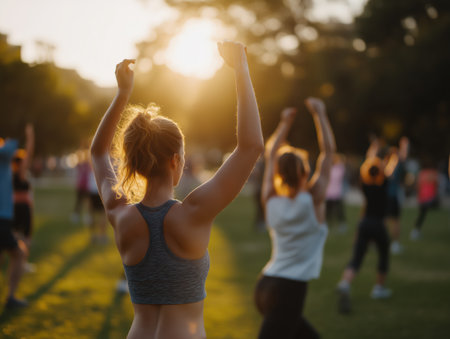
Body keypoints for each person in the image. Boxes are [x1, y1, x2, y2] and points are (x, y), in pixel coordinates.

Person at [90, 41, 263, 339]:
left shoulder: (119, 214)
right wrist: (241, 69)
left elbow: (97, 153)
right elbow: (251, 147)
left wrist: (122, 94)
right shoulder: (194, 212)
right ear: (175, 161)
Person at [254, 98, 336, 339]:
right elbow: (329, 153)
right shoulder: (313, 199)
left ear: (279, 173)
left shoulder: (269, 197)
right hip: (289, 290)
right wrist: (320, 114)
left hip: (265, 286)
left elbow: (271, 154)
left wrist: (284, 124)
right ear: (305, 171)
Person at [336, 138, 399, 314]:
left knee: (357, 258)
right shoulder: (384, 184)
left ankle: (345, 282)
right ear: (380, 172)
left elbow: (368, 162)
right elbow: (390, 169)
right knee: (383, 255)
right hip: (378, 225)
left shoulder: (365, 186)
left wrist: (373, 149)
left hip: (364, 224)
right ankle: (379, 289)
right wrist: (393, 157)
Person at [0, 132, 29, 309]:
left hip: (4, 218)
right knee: (19, 253)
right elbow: (13, 144)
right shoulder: (3, 157)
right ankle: (10, 297)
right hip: (1, 218)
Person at [12, 123, 36, 272]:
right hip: (22, 208)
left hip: (16, 207)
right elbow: (29, 152)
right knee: (24, 237)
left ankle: (20, 262)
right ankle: (22, 263)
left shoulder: (10, 173)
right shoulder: (19, 173)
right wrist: (30, 136)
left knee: (17, 235)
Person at [386, 137, 409, 254]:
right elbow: (403, 157)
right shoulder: (396, 163)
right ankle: (394, 244)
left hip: (387, 196)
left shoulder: (388, 166)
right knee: (395, 221)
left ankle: (377, 242)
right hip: (393, 196)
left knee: (384, 220)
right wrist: (404, 146)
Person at [410, 159, 439, 240]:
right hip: (429, 197)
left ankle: (416, 230)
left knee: (422, 214)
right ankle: (416, 231)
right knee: (422, 215)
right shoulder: (433, 173)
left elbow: (417, 186)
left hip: (423, 197)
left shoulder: (421, 173)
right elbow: (437, 184)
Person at [325, 154, 347, 233]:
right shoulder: (330, 168)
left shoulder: (339, 168)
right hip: (329, 193)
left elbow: (342, 165)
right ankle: (326, 224)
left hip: (337, 193)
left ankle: (342, 224)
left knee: (339, 211)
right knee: (328, 211)